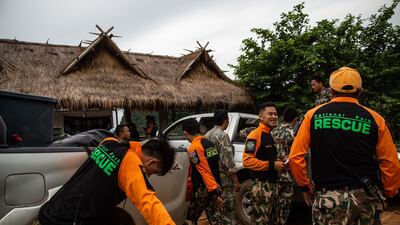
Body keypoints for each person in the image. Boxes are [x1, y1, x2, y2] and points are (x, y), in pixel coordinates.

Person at [289, 67, 400, 224]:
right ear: (360, 90)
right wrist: (389, 191)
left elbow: (295, 157)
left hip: (328, 199)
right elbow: (390, 163)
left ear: (331, 90)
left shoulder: (312, 115)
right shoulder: (376, 119)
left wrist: (306, 188)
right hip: (366, 198)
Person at [34, 138, 176, 225]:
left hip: (48, 213)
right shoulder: (130, 162)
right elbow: (148, 201)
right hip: (65, 222)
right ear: (152, 162)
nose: (149, 175)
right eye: (154, 172)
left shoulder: (110, 143)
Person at [242, 102, 287, 225]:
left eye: (275, 114)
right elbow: (247, 161)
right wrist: (272, 165)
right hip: (261, 186)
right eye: (270, 114)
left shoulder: (270, 134)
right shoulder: (254, 135)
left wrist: (280, 159)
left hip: (273, 185)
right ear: (261, 117)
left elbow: (265, 156)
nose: (274, 116)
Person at [183, 118, 224, 225]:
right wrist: (217, 188)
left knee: (189, 219)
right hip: (214, 185)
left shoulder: (194, 148)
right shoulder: (209, 143)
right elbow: (215, 166)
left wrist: (213, 193)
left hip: (203, 189)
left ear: (185, 132)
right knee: (216, 219)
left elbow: (204, 171)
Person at [205, 110, 240, 225]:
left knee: (216, 211)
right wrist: (235, 181)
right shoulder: (222, 136)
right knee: (228, 211)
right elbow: (227, 161)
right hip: (224, 180)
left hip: (211, 180)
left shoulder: (207, 135)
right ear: (226, 121)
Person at [270, 107, 298, 224]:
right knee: (284, 207)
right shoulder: (293, 135)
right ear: (295, 119)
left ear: (282, 118)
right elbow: (297, 155)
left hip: (274, 172)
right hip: (287, 175)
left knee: (274, 204)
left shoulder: (273, 131)